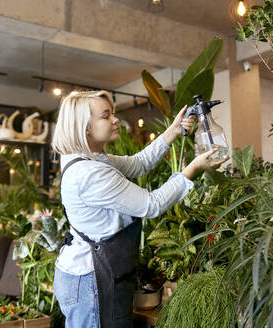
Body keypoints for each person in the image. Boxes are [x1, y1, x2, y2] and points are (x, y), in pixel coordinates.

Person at [51, 90, 227, 328]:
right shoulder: (89, 173)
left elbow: (139, 163)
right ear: (85, 127)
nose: (115, 120)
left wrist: (173, 131)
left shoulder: (90, 159)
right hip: (91, 279)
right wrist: (191, 169)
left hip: (93, 271)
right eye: (106, 116)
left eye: (113, 113)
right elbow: (151, 204)